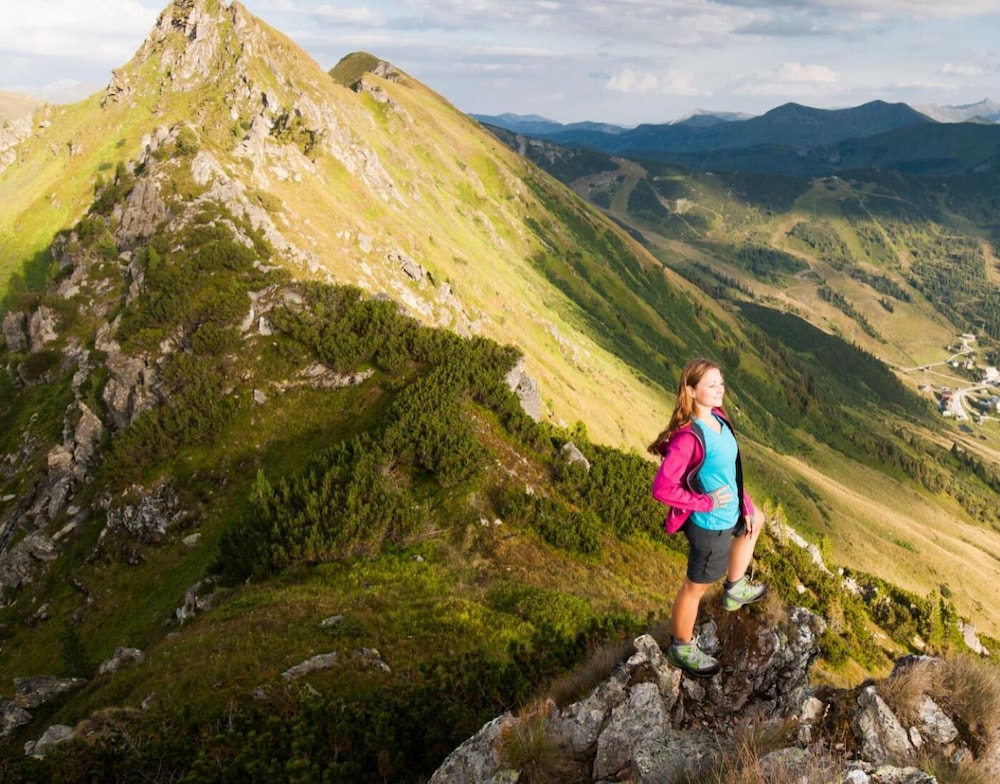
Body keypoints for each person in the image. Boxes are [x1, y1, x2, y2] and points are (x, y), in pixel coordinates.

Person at [649, 357, 766, 678]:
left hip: (730, 512)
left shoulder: (719, 418)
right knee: (694, 589)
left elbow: (727, 470)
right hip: (710, 525)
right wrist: (703, 502)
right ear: (691, 390)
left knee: (758, 520)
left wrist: (745, 502)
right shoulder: (690, 437)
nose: (720, 390)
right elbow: (662, 488)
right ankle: (681, 648)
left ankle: (734, 588)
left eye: (721, 383)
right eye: (711, 385)